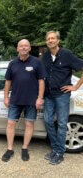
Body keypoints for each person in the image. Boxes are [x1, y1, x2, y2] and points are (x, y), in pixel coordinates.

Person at [42, 31, 83, 165]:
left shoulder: (67, 54)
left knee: (61, 123)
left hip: (62, 95)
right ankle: (55, 148)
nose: (50, 40)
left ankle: (60, 152)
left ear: (58, 41)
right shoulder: (45, 56)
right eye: (48, 39)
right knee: (48, 121)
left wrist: (76, 86)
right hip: (48, 95)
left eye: (53, 38)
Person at [2, 39, 45, 162]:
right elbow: (8, 81)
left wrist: (40, 98)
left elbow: (41, 81)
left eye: (26, 46)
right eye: (21, 46)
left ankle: (25, 148)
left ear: (30, 48)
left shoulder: (37, 62)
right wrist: (6, 97)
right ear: (17, 49)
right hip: (15, 100)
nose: (24, 48)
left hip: (32, 101)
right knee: (10, 124)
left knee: (29, 124)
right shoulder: (12, 63)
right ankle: (9, 149)